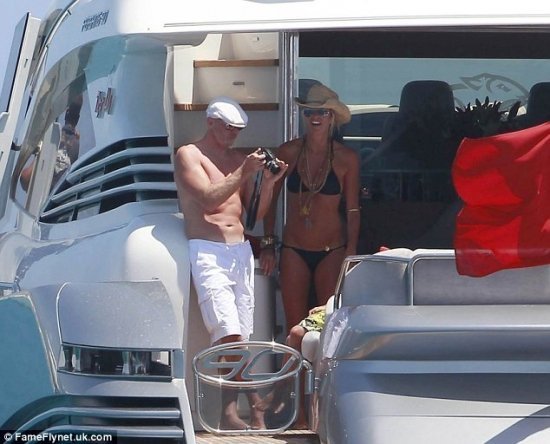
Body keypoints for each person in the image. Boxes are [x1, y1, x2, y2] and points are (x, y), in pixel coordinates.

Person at [173, 96, 287, 430]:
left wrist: (269, 183)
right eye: (227, 127)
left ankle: (228, 412)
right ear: (210, 122)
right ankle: (256, 402)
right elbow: (208, 200)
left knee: (240, 336)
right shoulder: (189, 154)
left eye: (237, 129)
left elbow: (254, 215)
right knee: (229, 333)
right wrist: (244, 172)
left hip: (239, 251)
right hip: (208, 249)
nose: (233, 134)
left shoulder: (238, 160)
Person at [260, 83, 361, 334]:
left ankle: (321, 364)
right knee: (294, 326)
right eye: (309, 112)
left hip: (332, 249)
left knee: (327, 325)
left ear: (332, 117)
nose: (315, 117)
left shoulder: (346, 158)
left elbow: (353, 210)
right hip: (294, 248)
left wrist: (351, 252)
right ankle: (293, 362)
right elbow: (271, 197)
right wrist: (268, 243)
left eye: (322, 112)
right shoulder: (289, 151)